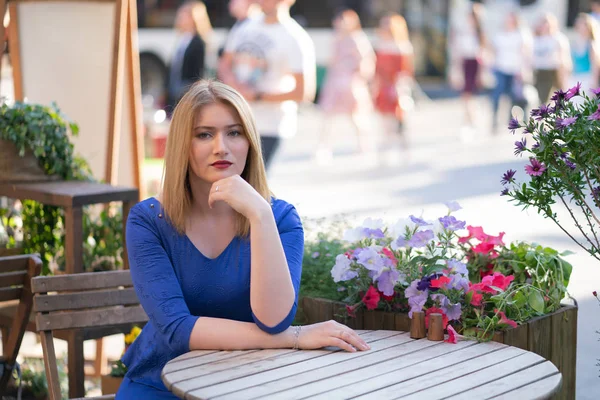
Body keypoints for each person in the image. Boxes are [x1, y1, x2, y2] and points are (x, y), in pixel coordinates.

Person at [115, 80, 369, 398]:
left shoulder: (279, 218)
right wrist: (297, 336)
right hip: (160, 383)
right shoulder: (149, 221)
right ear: (183, 144)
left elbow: (274, 319)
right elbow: (178, 331)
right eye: (204, 134)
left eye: (234, 132)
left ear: (250, 142)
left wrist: (259, 216)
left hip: (250, 382)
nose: (221, 146)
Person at [218, 0, 316, 170]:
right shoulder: (245, 26)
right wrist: (234, 86)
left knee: (251, 187)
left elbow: (304, 93)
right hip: (236, 120)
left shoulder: (295, 37)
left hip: (269, 126)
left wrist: (258, 96)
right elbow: (225, 64)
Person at [315, 9, 375, 164]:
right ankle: (324, 148)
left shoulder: (357, 39)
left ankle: (364, 146)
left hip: (350, 83)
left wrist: (358, 75)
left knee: (356, 117)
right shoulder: (337, 38)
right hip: (336, 82)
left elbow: (365, 61)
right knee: (328, 117)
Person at [372, 13, 414, 156]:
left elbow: (404, 71)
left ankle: (402, 141)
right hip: (383, 86)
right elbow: (377, 69)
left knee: (398, 115)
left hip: (396, 87)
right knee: (384, 116)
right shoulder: (380, 45)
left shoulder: (402, 47)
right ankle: (386, 142)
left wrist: (400, 88)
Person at [489, 12, 532, 132]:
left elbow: (525, 53)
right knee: (497, 94)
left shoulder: (521, 34)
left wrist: (524, 69)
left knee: (514, 95)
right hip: (501, 68)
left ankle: (512, 119)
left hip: (515, 69)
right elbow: (493, 50)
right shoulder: (500, 34)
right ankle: (495, 119)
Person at [166, 1, 212, 113]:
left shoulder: (199, 42)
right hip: (175, 90)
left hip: (187, 92)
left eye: (184, 15)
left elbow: (198, 72)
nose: (180, 18)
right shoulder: (181, 40)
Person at [449, 3, 487, 128]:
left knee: (471, 92)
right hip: (465, 62)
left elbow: (483, 51)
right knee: (465, 93)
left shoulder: (480, 34)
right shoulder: (462, 32)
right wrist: (455, 68)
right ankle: (468, 117)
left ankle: (471, 116)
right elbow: (457, 51)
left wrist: (482, 71)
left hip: (475, 63)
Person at [532, 13, 571, 104]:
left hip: (554, 72)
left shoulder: (558, 39)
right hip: (540, 72)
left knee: (556, 101)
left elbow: (564, 59)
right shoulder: (536, 39)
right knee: (541, 101)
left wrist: (563, 77)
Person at [570, 13, 600, 93]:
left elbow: (595, 65)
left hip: (587, 79)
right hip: (575, 78)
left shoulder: (591, 44)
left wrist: (594, 83)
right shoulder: (574, 43)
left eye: (584, 24)